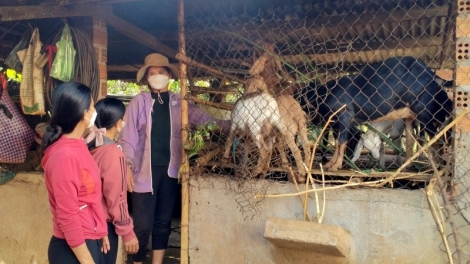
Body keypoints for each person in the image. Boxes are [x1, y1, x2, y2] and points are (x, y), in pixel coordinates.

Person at [119, 53, 230, 264]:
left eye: (161, 72)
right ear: (146, 78)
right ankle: (138, 261)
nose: (157, 76)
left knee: (163, 222)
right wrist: (126, 165)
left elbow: (206, 122)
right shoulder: (138, 102)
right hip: (143, 172)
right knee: (142, 225)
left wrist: (234, 125)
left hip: (170, 172)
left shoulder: (180, 103)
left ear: (169, 75)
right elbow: (129, 137)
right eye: (152, 73)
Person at [41, 82, 107, 264]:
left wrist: (100, 231)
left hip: (88, 240)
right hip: (74, 250)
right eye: (93, 106)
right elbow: (67, 214)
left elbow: (88, 198)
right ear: (85, 114)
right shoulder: (64, 156)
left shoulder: (78, 145)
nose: (95, 111)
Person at [86, 98, 139, 264]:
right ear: (118, 123)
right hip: (103, 228)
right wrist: (127, 232)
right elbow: (117, 198)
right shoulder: (113, 154)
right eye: (123, 119)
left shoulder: (87, 146)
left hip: (85, 222)